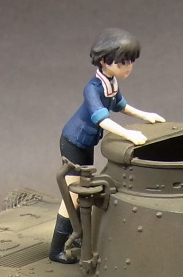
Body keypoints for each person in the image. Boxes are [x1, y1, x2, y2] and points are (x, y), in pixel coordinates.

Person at [50, 28, 164, 263]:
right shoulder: (93, 88)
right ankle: (56, 248)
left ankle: (76, 235)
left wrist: (146, 115)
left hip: (86, 142)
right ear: (104, 61)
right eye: (122, 62)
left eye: (130, 61)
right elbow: (101, 119)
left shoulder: (110, 83)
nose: (128, 67)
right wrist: (128, 135)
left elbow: (121, 106)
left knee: (82, 188)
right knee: (71, 196)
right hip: (73, 142)